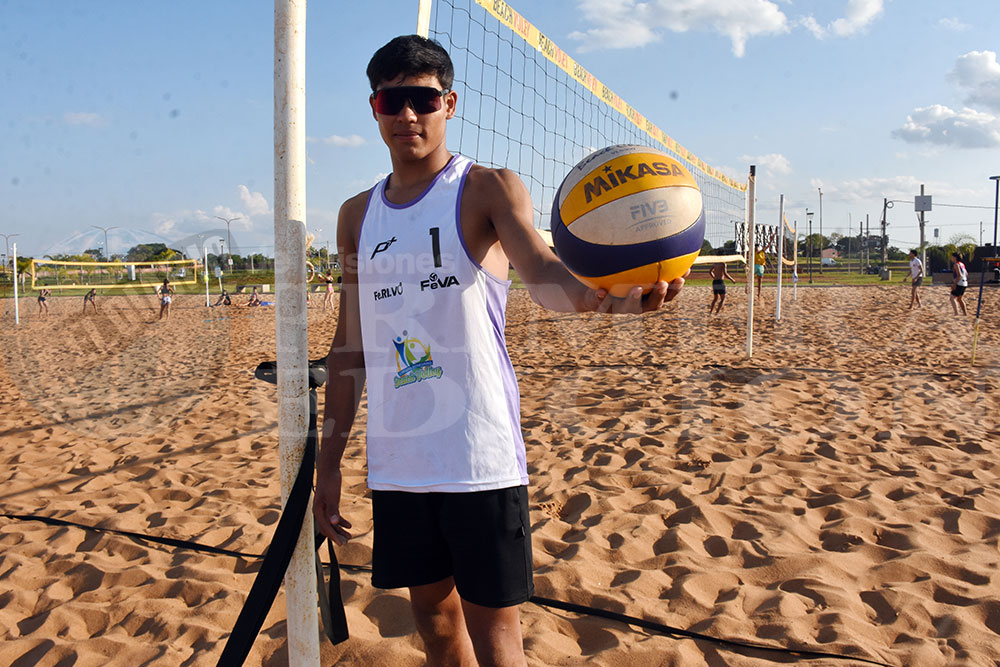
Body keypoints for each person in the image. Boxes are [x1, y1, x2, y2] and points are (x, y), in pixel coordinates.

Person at [313, 35, 683, 667]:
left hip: (477, 456)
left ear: (450, 103)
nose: (408, 114)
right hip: (400, 461)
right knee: (434, 622)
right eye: (391, 101)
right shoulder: (356, 215)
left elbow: (543, 272)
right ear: (374, 108)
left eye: (423, 99)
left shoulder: (485, 189)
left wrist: (609, 300)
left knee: (497, 636)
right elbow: (350, 348)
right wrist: (330, 462)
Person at [950, 251, 968, 316]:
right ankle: (965, 313)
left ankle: (956, 313)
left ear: (955, 257)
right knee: (959, 299)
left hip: (959, 283)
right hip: (964, 283)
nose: (951, 258)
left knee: (952, 298)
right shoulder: (962, 264)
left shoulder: (956, 265)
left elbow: (959, 275)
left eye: (952, 257)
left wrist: (954, 284)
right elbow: (966, 273)